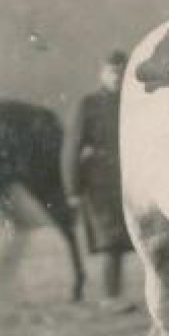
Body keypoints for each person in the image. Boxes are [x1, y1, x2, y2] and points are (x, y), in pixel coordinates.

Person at [63, 50, 136, 311]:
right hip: (100, 182)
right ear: (102, 73)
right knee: (110, 242)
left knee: (139, 237)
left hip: (130, 177)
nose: (117, 78)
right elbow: (72, 147)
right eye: (112, 72)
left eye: (121, 72)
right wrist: (72, 189)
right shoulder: (89, 104)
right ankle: (111, 297)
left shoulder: (133, 101)